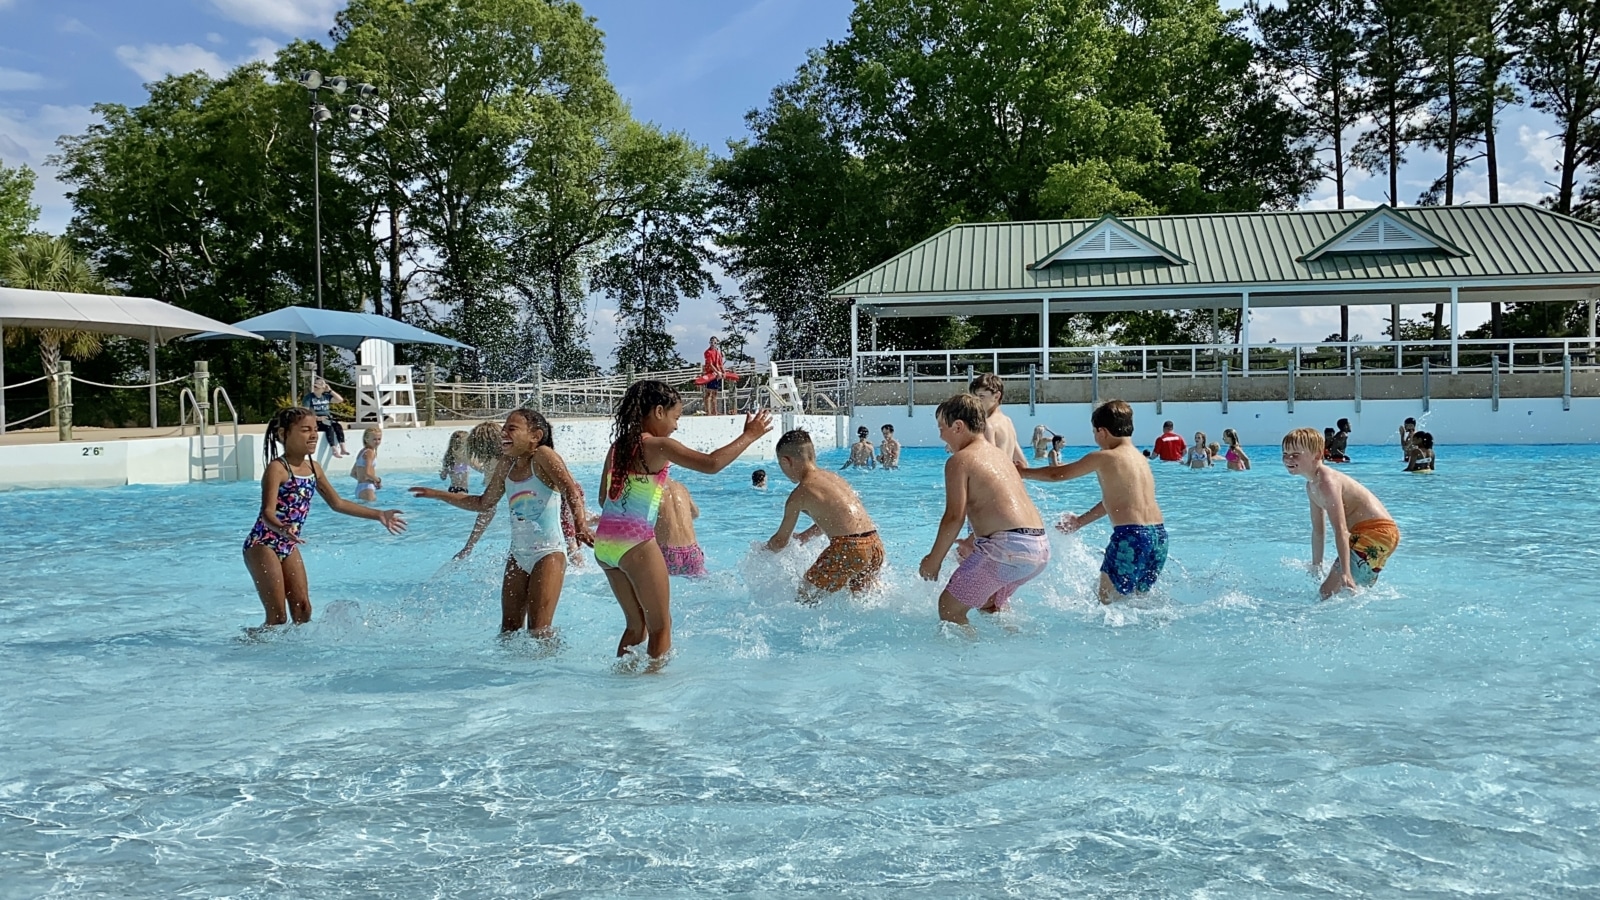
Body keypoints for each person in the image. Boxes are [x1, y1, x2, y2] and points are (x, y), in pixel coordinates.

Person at [595, 380, 773, 661]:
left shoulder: (617, 447)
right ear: (658, 412)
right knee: (660, 627)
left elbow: (604, 499)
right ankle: (655, 689)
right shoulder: (658, 445)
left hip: (604, 544)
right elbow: (712, 464)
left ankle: (623, 682)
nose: (676, 426)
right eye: (676, 417)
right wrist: (750, 436)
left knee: (635, 626)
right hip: (635, 542)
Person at [412, 409, 593, 635]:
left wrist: (581, 526)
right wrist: (438, 494)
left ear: (535, 436)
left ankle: (550, 668)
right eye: (504, 427)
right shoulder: (507, 463)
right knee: (508, 630)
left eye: (511, 428)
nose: (503, 433)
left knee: (539, 630)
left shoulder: (543, 455)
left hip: (549, 553)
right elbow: (483, 503)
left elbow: (571, 489)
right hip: (518, 554)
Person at [243, 407, 406, 627]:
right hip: (263, 544)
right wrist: (282, 528)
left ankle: (296, 655)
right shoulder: (278, 469)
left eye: (315, 430)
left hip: (288, 544)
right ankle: (250, 647)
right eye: (304, 430)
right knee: (278, 616)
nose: (312, 435)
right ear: (283, 434)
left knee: (303, 610)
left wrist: (378, 514)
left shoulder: (314, 468)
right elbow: (267, 513)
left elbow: (337, 503)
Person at [920, 393, 1049, 628]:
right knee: (989, 603)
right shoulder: (1000, 456)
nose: (940, 435)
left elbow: (953, 517)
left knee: (949, 608)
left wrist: (933, 560)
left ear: (958, 426)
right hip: (1037, 548)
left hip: (1007, 549)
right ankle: (1015, 644)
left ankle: (971, 663)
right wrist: (973, 540)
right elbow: (1002, 508)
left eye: (942, 427)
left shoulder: (960, 460)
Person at [1019, 399, 1167, 602]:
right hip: (1158, 537)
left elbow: (1058, 474)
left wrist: (1022, 472)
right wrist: (1080, 521)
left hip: (1131, 536)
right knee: (1137, 600)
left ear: (1102, 432)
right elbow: (1117, 502)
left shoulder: (1105, 457)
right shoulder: (1140, 459)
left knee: (1107, 601)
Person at [1282, 427, 1401, 599]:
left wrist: (1345, 572)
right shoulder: (1311, 486)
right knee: (1351, 592)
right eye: (1285, 453)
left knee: (1327, 591)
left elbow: (1341, 530)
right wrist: (1317, 565)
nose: (1288, 458)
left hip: (1376, 533)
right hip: (1377, 535)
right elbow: (1318, 531)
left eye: (1295, 454)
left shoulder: (1327, 483)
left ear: (1316, 455)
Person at [766, 429, 884, 602]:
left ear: (786, 461)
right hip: (875, 546)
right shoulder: (834, 478)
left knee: (804, 597)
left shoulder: (799, 493)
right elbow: (840, 518)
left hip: (849, 549)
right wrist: (805, 536)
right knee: (860, 600)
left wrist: (763, 552)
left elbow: (780, 541)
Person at [970, 373, 1028, 468]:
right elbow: (1022, 462)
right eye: (974, 397)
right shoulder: (1008, 421)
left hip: (994, 480)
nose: (976, 401)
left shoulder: (988, 425)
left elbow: (990, 463)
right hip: (1007, 479)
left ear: (996, 396)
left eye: (981, 396)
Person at [656, 479, 706, 578]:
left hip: (666, 554)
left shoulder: (651, 490)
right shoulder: (680, 487)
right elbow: (695, 513)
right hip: (692, 554)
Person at [302, 377, 348, 458]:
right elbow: (305, 412)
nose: (315, 388)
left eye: (317, 387)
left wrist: (330, 391)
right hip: (316, 420)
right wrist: (317, 418)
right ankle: (333, 449)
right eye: (314, 386)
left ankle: (343, 448)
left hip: (327, 418)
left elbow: (340, 400)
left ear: (323, 388)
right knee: (328, 427)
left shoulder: (326, 396)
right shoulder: (309, 397)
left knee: (338, 426)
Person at [350, 428, 383, 502]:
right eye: (374, 439)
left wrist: (363, 481)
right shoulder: (370, 452)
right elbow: (368, 473)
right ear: (366, 439)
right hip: (367, 488)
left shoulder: (362, 452)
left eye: (379, 439)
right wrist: (378, 481)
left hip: (359, 488)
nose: (377, 442)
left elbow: (353, 473)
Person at [702, 336, 726, 416]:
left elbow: (720, 364)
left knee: (715, 393)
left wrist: (723, 372)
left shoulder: (718, 353)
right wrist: (717, 372)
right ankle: (708, 412)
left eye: (714, 342)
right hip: (710, 374)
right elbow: (710, 364)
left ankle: (715, 411)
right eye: (711, 342)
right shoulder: (708, 352)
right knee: (709, 393)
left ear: (716, 344)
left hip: (716, 374)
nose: (713, 344)